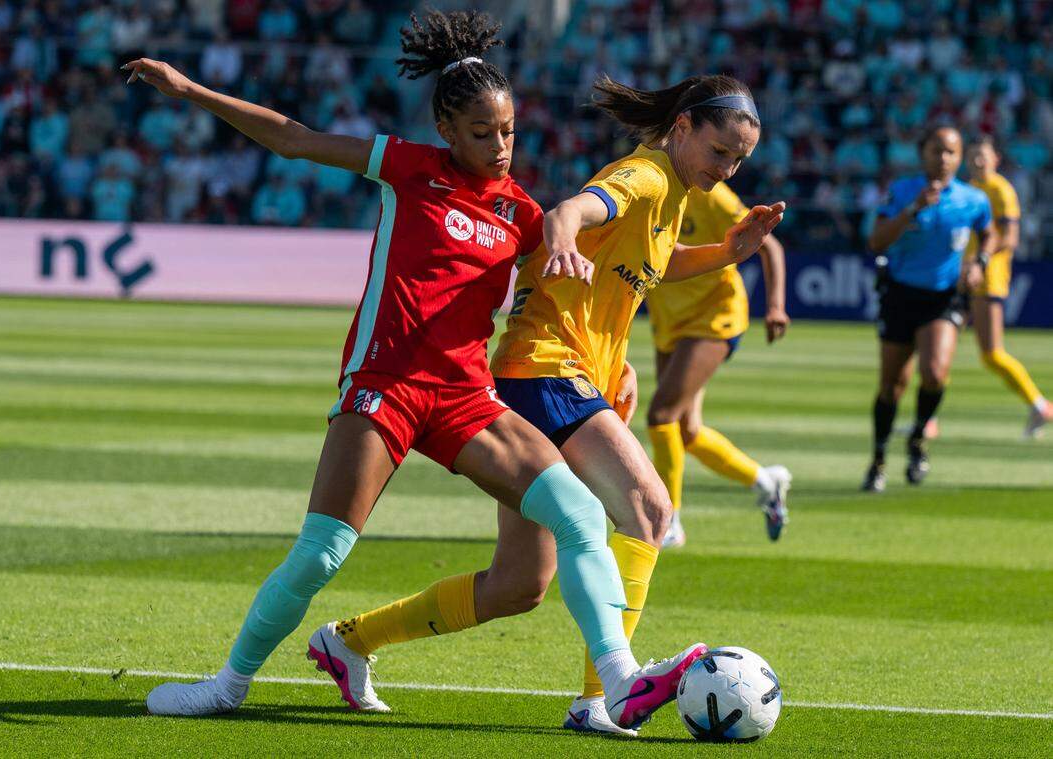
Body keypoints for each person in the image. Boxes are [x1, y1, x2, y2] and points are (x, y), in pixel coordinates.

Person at [126, 10, 707, 729]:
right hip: (385, 387)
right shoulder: (407, 167)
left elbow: (595, 269)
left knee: (583, 514)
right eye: (482, 133)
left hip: (467, 396)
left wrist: (616, 358)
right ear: (445, 129)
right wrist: (191, 90)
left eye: (509, 132)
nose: (500, 147)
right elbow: (293, 138)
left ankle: (617, 685)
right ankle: (227, 684)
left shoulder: (521, 211)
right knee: (321, 553)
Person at [319, 73, 784, 736]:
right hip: (548, 372)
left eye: (739, 160)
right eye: (720, 152)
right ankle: (603, 696)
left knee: (518, 584)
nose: (727, 168)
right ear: (682, 128)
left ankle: (350, 639)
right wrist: (562, 236)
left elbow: (655, 261)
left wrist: (725, 253)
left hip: (552, 378)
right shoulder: (647, 176)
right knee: (649, 510)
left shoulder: (675, 193)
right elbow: (576, 210)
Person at [644, 180, 791, 549]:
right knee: (687, 431)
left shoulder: (713, 197)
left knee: (662, 415)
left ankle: (669, 522)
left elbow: (768, 245)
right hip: (669, 320)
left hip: (714, 316)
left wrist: (774, 306)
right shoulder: (645, 187)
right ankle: (766, 482)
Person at [862, 126, 995, 492]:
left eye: (951, 152)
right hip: (901, 294)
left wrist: (980, 261)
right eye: (937, 151)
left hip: (944, 297)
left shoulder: (972, 199)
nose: (943, 159)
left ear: (960, 156)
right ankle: (877, 458)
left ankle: (919, 437)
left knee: (935, 373)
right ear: (923, 154)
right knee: (892, 387)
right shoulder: (904, 191)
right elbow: (877, 240)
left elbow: (988, 231)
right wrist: (914, 209)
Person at [965, 135, 1051, 439]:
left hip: (988, 278)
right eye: (972, 155)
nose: (977, 161)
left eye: (982, 155)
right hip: (961, 277)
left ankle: (1039, 403)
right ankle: (928, 419)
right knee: (937, 346)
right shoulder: (970, 190)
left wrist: (981, 261)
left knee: (992, 353)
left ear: (996, 159)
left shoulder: (1000, 190)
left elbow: (1010, 238)